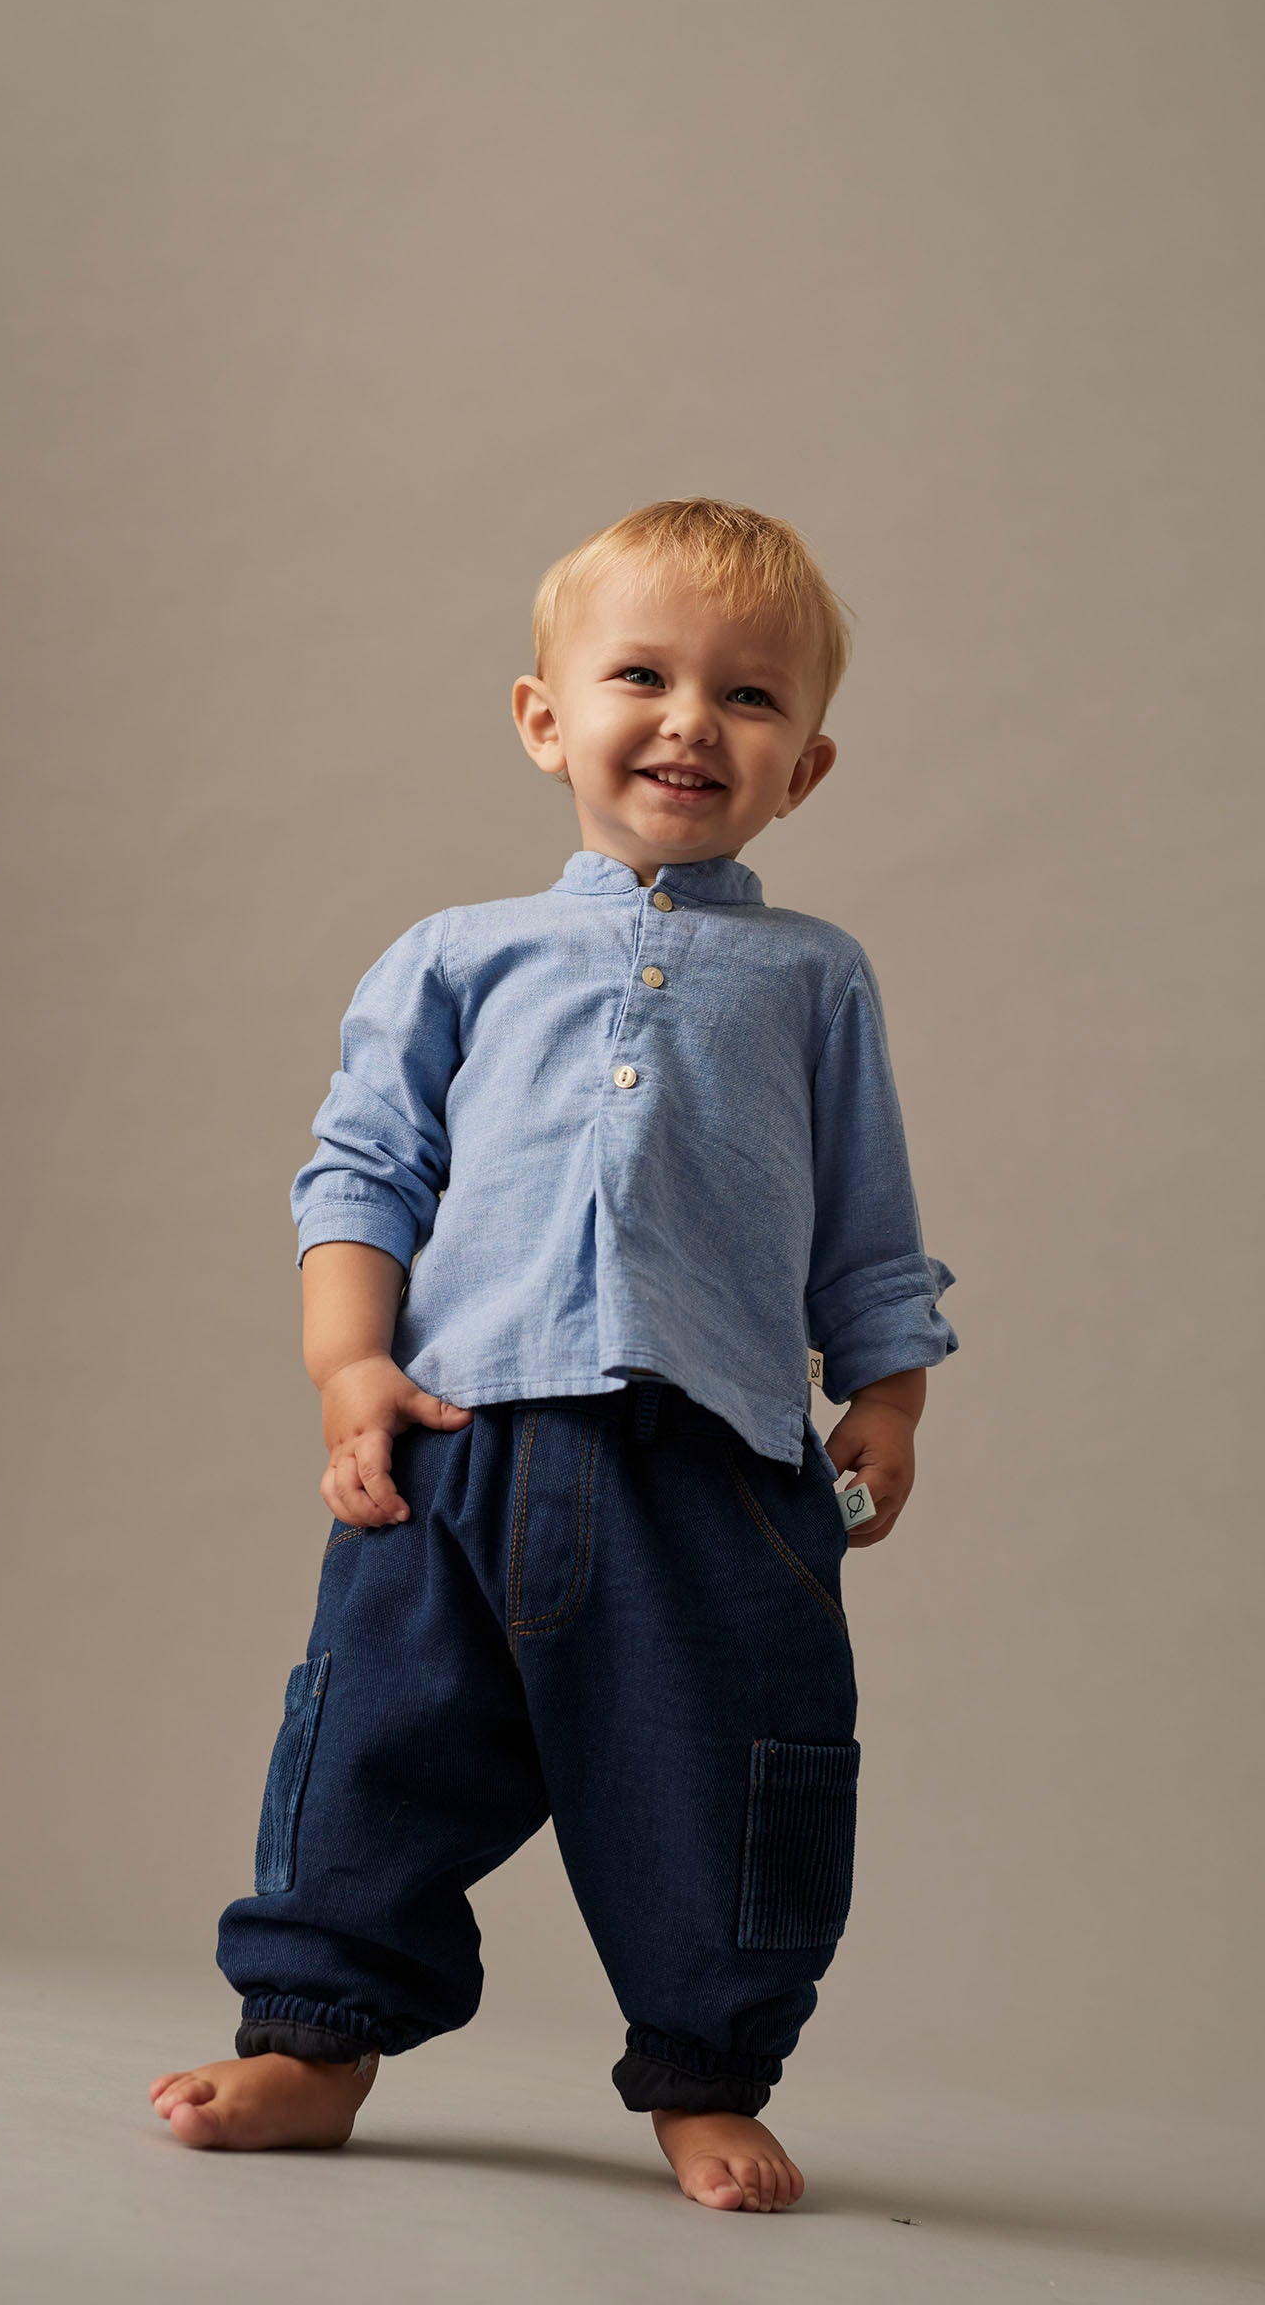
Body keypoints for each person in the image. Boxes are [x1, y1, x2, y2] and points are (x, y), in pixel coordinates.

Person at [147, 496, 958, 2211]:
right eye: (641, 676)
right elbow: (362, 1172)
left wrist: (885, 1395)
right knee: (372, 1748)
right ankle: (314, 2040)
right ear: (544, 717)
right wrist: (349, 1368)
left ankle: (706, 2071)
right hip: (456, 1446)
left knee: (732, 1780)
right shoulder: (457, 956)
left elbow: (868, 1230)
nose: (690, 722)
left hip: (714, 1466)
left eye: (749, 696)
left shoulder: (815, 981)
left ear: (806, 768)